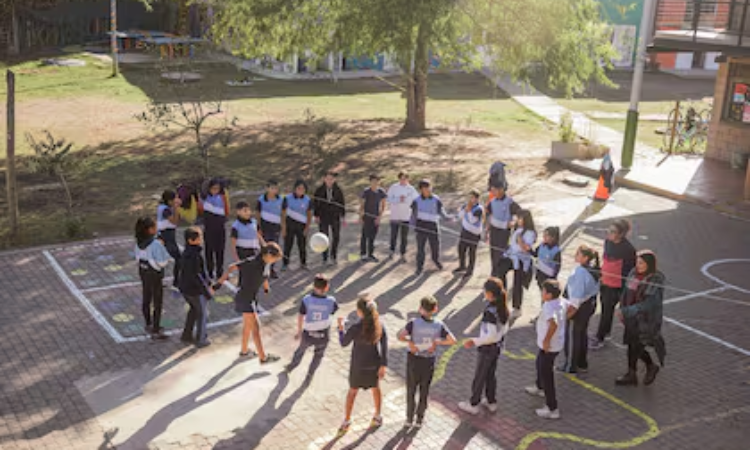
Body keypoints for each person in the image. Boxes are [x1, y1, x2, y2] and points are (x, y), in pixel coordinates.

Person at [215, 243, 284, 363]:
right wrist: (219, 283)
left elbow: (264, 276)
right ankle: (263, 358)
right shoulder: (251, 262)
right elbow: (232, 267)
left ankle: (244, 351)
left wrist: (266, 287)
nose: (274, 261)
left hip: (252, 298)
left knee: (247, 326)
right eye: (275, 258)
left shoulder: (266, 263)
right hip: (245, 298)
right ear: (268, 255)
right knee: (256, 328)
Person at [398, 296, 456, 428]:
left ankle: (409, 419)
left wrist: (410, 342)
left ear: (420, 309)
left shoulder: (413, 323)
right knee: (424, 391)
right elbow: (452, 340)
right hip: (428, 361)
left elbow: (400, 335)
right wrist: (437, 342)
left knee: (411, 390)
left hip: (413, 359)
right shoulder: (439, 325)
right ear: (435, 309)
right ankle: (419, 419)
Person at [337, 295, 389, 434]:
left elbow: (343, 343)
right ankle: (377, 416)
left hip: (358, 365)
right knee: (376, 388)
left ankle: (347, 420)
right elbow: (384, 346)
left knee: (352, 391)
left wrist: (341, 328)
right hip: (374, 363)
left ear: (360, 312)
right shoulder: (380, 325)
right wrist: (383, 365)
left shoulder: (356, 327)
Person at [458, 278, 509, 415]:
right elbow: (502, 330)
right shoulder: (502, 307)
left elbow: (489, 336)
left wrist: (474, 341)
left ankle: (474, 403)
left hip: (487, 349)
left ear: (490, 294)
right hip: (497, 347)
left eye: (485, 291)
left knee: (480, 376)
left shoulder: (490, 312)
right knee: (490, 375)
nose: (483, 293)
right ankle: (491, 401)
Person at [616, 250, 666, 387]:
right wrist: (622, 308)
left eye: (641, 263)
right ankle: (635, 372)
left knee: (636, 346)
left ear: (649, 264)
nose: (638, 265)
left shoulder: (655, 279)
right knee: (632, 345)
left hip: (646, 321)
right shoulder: (633, 273)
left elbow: (649, 304)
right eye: (637, 262)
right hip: (631, 318)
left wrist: (628, 311)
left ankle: (643, 369)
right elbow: (626, 292)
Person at [591, 219, 637, 350]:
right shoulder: (608, 243)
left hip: (617, 286)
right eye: (608, 230)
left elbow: (631, 272)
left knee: (610, 311)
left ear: (621, 234)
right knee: (606, 309)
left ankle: (600, 338)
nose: (609, 234)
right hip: (605, 282)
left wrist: (627, 290)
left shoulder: (628, 249)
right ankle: (605, 333)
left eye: (612, 232)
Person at [524, 280, 566, 419]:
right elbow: (571, 309)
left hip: (550, 346)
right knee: (539, 363)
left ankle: (552, 408)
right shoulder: (561, 302)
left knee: (547, 374)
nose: (541, 293)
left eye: (543, 291)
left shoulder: (548, 306)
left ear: (548, 294)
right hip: (555, 344)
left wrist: (547, 340)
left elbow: (553, 324)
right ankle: (539, 386)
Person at [286, 274, 339, 378]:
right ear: (327, 287)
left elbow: (301, 315)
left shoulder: (306, 299)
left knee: (300, 350)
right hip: (323, 334)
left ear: (314, 286)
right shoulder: (331, 301)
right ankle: (310, 373)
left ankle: (291, 366)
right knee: (318, 355)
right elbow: (332, 312)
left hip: (308, 333)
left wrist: (299, 331)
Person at [559, 245, 601, 374]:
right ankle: (582, 363)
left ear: (586, 258)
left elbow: (576, 298)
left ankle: (570, 365)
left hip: (578, 308)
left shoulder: (580, 272)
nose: (575, 255)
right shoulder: (594, 270)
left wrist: (568, 314)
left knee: (573, 336)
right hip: (589, 305)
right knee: (582, 334)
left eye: (578, 254)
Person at [134, 217, 171, 340]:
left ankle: (148, 323)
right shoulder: (155, 244)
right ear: (150, 230)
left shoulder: (138, 242)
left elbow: (137, 258)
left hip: (143, 272)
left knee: (146, 297)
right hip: (155, 274)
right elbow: (162, 262)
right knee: (157, 302)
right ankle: (156, 329)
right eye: (154, 227)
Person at [178, 226, 213, 348]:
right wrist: (206, 291)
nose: (201, 239)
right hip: (194, 290)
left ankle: (186, 335)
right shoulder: (194, 256)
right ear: (190, 240)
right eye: (198, 238)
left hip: (185, 289)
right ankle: (201, 338)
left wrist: (207, 281)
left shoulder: (187, 253)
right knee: (202, 314)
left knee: (193, 310)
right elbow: (197, 276)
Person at [411, 179, 452, 275]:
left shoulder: (436, 199)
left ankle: (435, 260)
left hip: (433, 225)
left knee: (435, 245)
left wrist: (447, 218)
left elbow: (441, 211)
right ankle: (419, 267)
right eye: (426, 188)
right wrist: (412, 225)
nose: (428, 190)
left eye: (429, 187)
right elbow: (414, 214)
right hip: (421, 226)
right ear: (421, 189)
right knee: (420, 248)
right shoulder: (416, 201)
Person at [502, 209, 536, 320]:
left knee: (517, 283)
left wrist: (520, 240)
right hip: (511, 256)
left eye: (520, 218)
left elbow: (526, 249)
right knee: (499, 270)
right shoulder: (518, 229)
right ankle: (501, 297)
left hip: (521, 259)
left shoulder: (530, 232)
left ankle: (517, 308)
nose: (518, 220)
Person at [485, 183, 521, 283]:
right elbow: (488, 214)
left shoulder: (509, 202)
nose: (492, 192)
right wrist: (487, 228)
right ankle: (494, 273)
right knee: (493, 253)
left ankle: (500, 276)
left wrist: (514, 222)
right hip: (494, 231)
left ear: (501, 190)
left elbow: (519, 213)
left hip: (503, 233)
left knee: (500, 254)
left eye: (494, 190)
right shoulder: (492, 202)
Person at [313, 171, 346, 265]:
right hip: (323, 217)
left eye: (331, 179)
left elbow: (342, 203)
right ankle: (325, 257)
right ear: (324, 179)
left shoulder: (338, 190)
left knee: (336, 236)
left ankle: (333, 255)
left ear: (334, 180)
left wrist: (342, 216)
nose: (329, 181)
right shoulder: (319, 190)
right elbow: (316, 203)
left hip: (335, 216)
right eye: (327, 178)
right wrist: (316, 215)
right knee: (324, 237)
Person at [201, 178, 229, 280]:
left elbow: (226, 211)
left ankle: (219, 271)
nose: (215, 190)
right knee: (209, 251)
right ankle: (209, 271)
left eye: (217, 188)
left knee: (220, 251)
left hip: (220, 229)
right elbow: (203, 187)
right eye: (213, 188)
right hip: (209, 229)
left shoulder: (222, 197)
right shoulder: (205, 198)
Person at [387, 172, 419, 262]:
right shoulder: (394, 187)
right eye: (401, 178)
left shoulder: (411, 189)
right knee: (393, 235)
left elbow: (416, 200)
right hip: (395, 216)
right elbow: (388, 198)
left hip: (406, 216)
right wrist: (398, 199)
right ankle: (391, 251)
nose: (403, 180)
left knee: (404, 237)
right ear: (399, 179)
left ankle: (403, 254)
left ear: (408, 179)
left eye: (405, 178)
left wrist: (407, 200)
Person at [282, 180, 313, 270]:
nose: (300, 190)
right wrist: (283, 228)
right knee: (288, 245)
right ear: (295, 189)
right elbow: (283, 214)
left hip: (301, 226)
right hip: (289, 225)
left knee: (302, 245)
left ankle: (303, 263)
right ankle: (285, 264)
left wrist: (307, 228)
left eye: (303, 189)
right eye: (299, 188)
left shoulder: (307, 200)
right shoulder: (287, 198)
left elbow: (309, 214)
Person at [231, 201, 264, 284]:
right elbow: (233, 244)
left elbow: (258, 234)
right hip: (242, 252)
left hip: (255, 250)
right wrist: (236, 257)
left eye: (248, 210)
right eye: (244, 210)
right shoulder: (235, 226)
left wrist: (264, 244)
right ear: (238, 212)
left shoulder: (254, 222)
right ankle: (241, 287)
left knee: (254, 271)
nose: (247, 212)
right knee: (244, 272)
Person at [453, 189, 484, 279]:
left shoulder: (479, 209)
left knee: (472, 252)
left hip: (474, 234)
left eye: (473, 198)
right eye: (470, 197)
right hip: (465, 232)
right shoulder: (466, 206)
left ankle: (470, 271)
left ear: (477, 199)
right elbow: (460, 215)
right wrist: (454, 219)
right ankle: (462, 266)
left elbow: (472, 220)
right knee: (461, 249)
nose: (471, 200)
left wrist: (468, 210)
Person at [256, 179, 284, 278]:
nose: (274, 190)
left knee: (274, 248)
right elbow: (258, 214)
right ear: (267, 188)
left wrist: (283, 227)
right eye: (271, 188)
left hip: (276, 227)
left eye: (276, 188)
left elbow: (282, 214)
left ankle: (272, 269)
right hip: (265, 227)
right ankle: (262, 268)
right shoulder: (261, 199)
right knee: (264, 247)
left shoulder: (281, 199)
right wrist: (258, 227)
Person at [157, 190, 182, 289]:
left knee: (162, 258)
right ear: (169, 200)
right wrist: (176, 208)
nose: (176, 200)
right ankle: (176, 282)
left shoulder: (164, 207)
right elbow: (175, 221)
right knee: (178, 259)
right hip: (166, 236)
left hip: (165, 235)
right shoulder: (166, 210)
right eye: (174, 198)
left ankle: (158, 281)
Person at [359, 174, 387, 262]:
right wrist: (360, 216)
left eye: (376, 181)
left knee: (372, 236)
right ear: (370, 182)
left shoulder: (381, 192)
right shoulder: (366, 191)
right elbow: (362, 205)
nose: (375, 183)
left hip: (375, 217)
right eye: (373, 181)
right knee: (365, 235)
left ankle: (370, 254)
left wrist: (379, 217)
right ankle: (363, 254)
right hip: (366, 217)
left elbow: (383, 205)